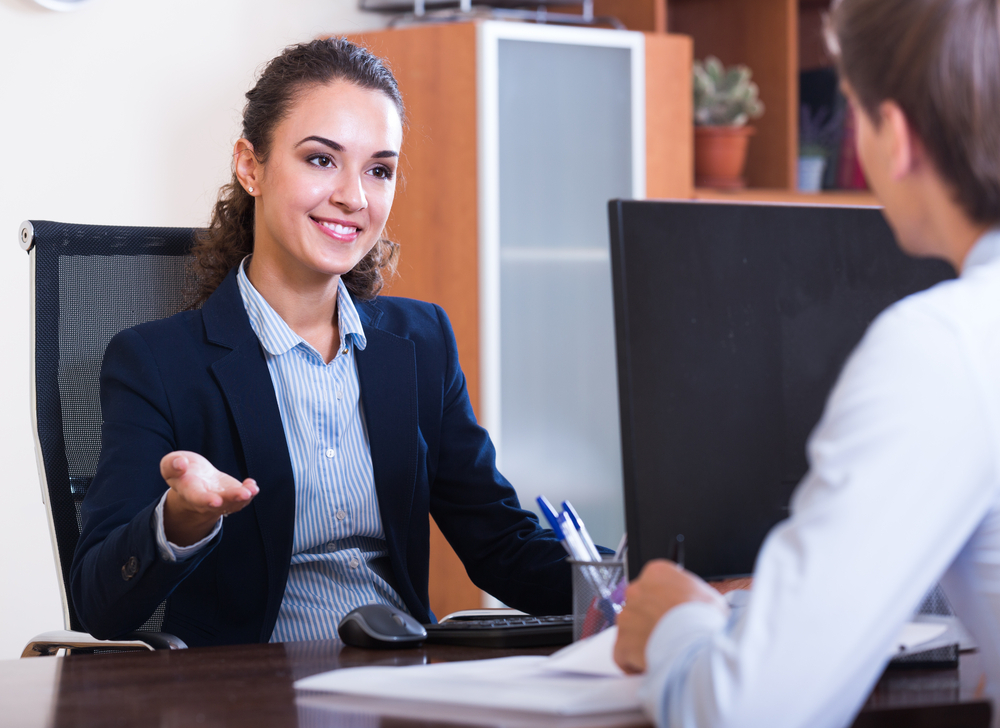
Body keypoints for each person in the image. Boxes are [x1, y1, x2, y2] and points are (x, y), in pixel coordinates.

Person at [70, 38, 573, 647]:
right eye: (321, 159)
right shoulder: (157, 363)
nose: (354, 197)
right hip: (246, 699)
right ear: (250, 166)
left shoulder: (421, 342)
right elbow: (99, 606)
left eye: (378, 170)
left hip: (406, 684)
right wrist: (181, 520)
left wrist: (647, 577)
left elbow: (502, 546)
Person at [613, 0, 1000, 725]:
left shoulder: (947, 345)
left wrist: (678, 624)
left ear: (902, 138)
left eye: (853, 110)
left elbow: (749, 710)